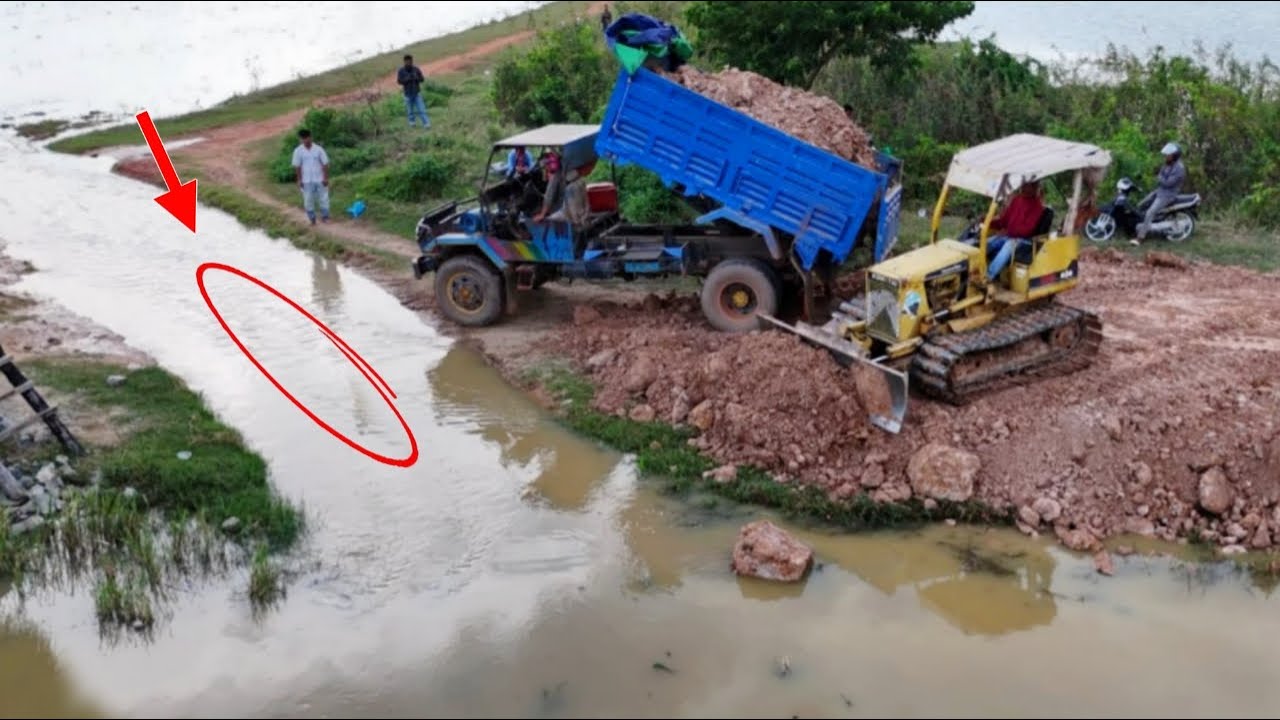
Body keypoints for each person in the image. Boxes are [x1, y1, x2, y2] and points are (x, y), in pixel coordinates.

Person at [985, 180, 1045, 282]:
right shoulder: (1017, 200)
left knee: (1008, 245)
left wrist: (1009, 232)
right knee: (988, 242)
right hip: (1010, 236)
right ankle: (973, 270)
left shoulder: (1037, 207)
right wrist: (987, 222)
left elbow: (1028, 230)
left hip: (1026, 241)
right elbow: (1004, 221)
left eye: (1026, 184)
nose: (1022, 186)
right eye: (1023, 183)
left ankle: (987, 277)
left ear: (1034, 187)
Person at [1133, 141, 1186, 245]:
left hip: (1168, 195)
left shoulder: (1179, 168)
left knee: (1150, 212)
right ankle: (1140, 226)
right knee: (1141, 204)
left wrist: (1159, 177)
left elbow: (1167, 183)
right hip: (1160, 191)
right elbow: (1162, 176)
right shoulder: (1168, 164)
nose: (1166, 157)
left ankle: (1140, 238)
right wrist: (1160, 177)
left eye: (1168, 155)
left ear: (1175, 155)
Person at [291, 129, 330, 225]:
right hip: (306, 180)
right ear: (300, 139)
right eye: (303, 139)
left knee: (324, 198)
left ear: (310, 137)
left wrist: (325, 178)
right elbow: (297, 166)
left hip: (320, 178)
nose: (305, 141)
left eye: (306, 138)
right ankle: (312, 219)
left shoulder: (319, 149)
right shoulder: (298, 151)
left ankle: (325, 217)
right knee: (308, 200)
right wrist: (299, 180)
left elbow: (325, 164)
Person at [397, 54, 430, 129]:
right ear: (404, 62)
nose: (409, 63)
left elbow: (422, 79)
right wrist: (407, 79)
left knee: (422, 109)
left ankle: (426, 124)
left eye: (410, 61)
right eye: (407, 61)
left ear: (412, 61)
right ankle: (412, 122)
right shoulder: (401, 71)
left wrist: (416, 78)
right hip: (407, 94)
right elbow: (399, 81)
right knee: (410, 111)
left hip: (417, 93)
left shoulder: (416, 69)